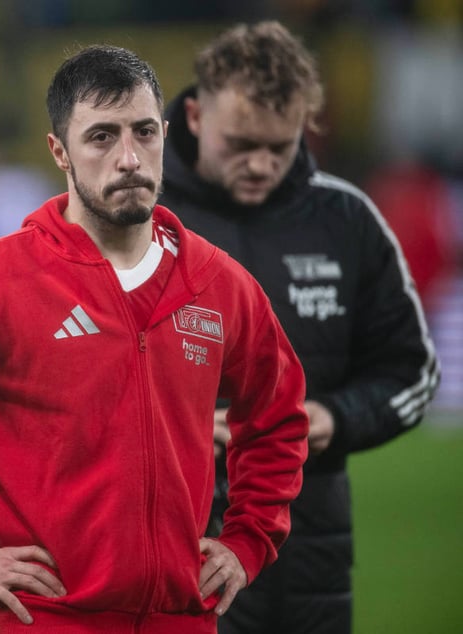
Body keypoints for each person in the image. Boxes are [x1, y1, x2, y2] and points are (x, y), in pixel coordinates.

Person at [0, 44, 309, 633]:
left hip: (184, 620)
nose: (129, 157)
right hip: (48, 620)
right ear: (59, 152)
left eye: (144, 132)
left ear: (166, 137)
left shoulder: (218, 285)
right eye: (102, 137)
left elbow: (278, 414)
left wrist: (248, 540)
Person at [158, 21, 441, 634]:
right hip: (164, 549)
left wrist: (334, 418)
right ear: (196, 116)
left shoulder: (347, 220)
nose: (260, 163)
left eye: (279, 146)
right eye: (241, 143)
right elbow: (67, 374)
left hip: (307, 557)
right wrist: (171, 425)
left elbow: (413, 373)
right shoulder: (134, 218)